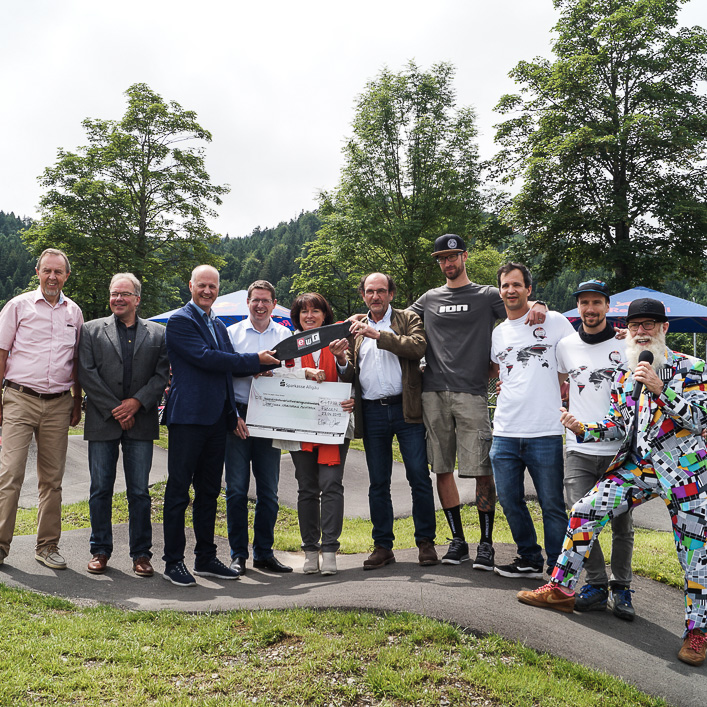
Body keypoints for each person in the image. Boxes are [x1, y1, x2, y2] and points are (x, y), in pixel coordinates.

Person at [518, 298, 707, 667]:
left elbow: (700, 418)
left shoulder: (693, 367)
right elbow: (619, 426)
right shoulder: (624, 374)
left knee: (696, 555)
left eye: (649, 324)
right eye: (635, 325)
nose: (641, 331)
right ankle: (560, 589)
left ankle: (697, 632)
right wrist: (582, 428)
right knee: (585, 509)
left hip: (685, 474)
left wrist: (660, 389)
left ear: (664, 329)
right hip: (638, 468)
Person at [410, 234, 547, 568]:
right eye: (442, 258)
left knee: (482, 469)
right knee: (441, 467)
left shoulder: (487, 295)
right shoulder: (429, 298)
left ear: (465, 256)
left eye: (453, 256)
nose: (448, 263)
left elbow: (519, 313)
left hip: (471, 393)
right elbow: (396, 319)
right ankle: (458, 541)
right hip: (432, 392)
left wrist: (540, 305)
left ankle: (486, 543)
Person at [161, 265, 279, 587]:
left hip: (216, 421)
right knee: (178, 491)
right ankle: (173, 561)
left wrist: (232, 414)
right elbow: (207, 359)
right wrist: (256, 361)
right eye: (202, 285)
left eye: (213, 286)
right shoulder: (180, 321)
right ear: (191, 285)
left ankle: (205, 557)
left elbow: (226, 373)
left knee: (210, 491)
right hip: (187, 418)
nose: (208, 291)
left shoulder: (217, 324)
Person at [340, 273, 437, 569]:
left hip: (406, 409)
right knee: (377, 482)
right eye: (370, 291)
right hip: (371, 411)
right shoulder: (354, 327)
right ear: (363, 295)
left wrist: (379, 335)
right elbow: (351, 372)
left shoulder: (407, 318)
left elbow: (418, 347)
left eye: (381, 291)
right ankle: (383, 546)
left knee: (419, 476)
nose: (376, 296)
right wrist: (342, 361)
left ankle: (426, 543)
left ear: (391, 294)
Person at [78, 273, 170, 577]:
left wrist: (136, 403)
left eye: (125, 294)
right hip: (103, 420)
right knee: (100, 489)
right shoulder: (90, 330)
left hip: (140, 420)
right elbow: (86, 373)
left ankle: (142, 554)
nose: (119, 298)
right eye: (114, 293)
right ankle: (100, 551)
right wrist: (116, 408)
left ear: (137, 299)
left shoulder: (158, 333)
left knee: (140, 492)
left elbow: (161, 375)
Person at [489, 262, 575, 578]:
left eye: (516, 285)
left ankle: (556, 565)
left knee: (552, 503)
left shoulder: (553, 320)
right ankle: (528, 557)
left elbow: (576, 355)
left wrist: (563, 382)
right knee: (510, 500)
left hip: (546, 429)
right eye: (505, 286)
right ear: (500, 291)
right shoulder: (498, 333)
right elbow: (498, 370)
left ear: (528, 289)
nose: (510, 290)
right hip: (506, 430)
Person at [555, 280, 635, 619]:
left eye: (596, 303)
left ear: (607, 307)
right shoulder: (565, 345)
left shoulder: (627, 345)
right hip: (579, 447)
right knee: (578, 513)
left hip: (620, 449)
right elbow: (560, 382)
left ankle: (623, 589)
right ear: (579, 308)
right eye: (584, 303)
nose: (590, 309)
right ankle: (597, 584)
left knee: (621, 525)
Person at [0, 248, 83, 569]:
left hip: (59, 403)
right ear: (37, 272)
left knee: (52, 479)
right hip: (19, 398)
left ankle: (47, 546)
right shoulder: (18, 306)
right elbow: (2, 353)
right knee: (10, 474)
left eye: (58, 272)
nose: (52, 277)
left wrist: (77, 402)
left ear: (66, 276)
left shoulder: (74, 313)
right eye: (47, 271)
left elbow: (75, 362)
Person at [274, 292, 354, 576]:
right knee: (307, 487)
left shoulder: (342, 340)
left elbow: (354, 377)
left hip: (335, 424)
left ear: (324, 315)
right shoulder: (288, 346)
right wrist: (302, 374)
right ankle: (310, 550)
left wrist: (341, 359)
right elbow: (276, 380)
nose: (309, 315)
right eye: (304, 311)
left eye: (315, 311)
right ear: (297, 317)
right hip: (300, 425)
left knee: (331, 484)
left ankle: (330, 550)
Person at [225, 280, 294, 575]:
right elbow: (223, 374)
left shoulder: (285, 334)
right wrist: (231, 415)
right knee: (236, 491)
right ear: (248, 302)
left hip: (271, 416)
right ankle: (238, 554)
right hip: (239, 416)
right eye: (255, 300)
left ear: (274, 303)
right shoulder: (232, 333)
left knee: (269, 492)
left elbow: (293, 374)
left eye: (266, 300)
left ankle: (264, 552)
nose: (260, 305)